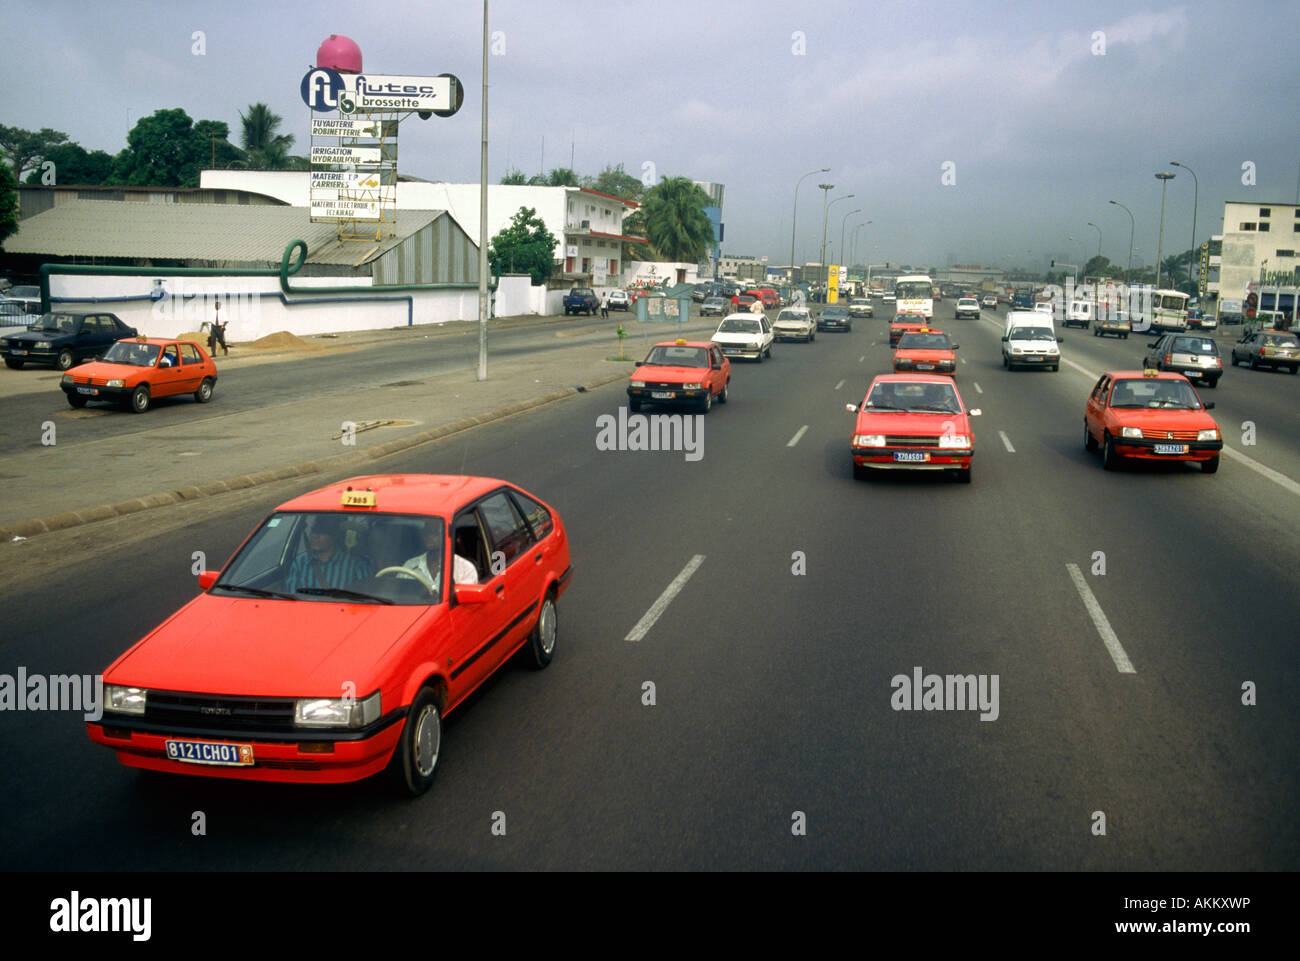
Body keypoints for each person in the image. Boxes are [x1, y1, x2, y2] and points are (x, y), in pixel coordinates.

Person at [285, 516, 372, 593]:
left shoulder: (357, 566)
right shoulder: (299, 564)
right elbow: (292, 598)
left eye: (322, 531)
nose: (315, 536)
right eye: (313, 530)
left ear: (335, 535)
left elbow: (366, 599)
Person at [403, 518, 477, 594]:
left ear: (448, 535)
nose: (429, 537)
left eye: (435, 533)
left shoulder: (464, 569)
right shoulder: (410, 566)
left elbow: (466, 600)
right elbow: (399, 593)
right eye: (426, 532)